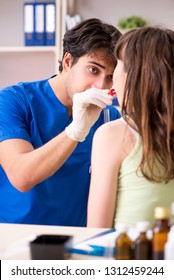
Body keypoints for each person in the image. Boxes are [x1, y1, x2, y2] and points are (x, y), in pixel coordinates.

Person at [0, 18, 121, 226]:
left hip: (78, 243)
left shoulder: (109, 118)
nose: (100, 85)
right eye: (93, 69)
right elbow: (22, 176)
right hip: (15, 240)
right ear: (67, 62)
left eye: (110, 77)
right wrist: (76, 130)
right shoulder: (13, 101)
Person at [87, 26, 174, 229]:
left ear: (135, 77)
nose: (112, 75)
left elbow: (96, 231)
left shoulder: (112, 135)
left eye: (119, 64)